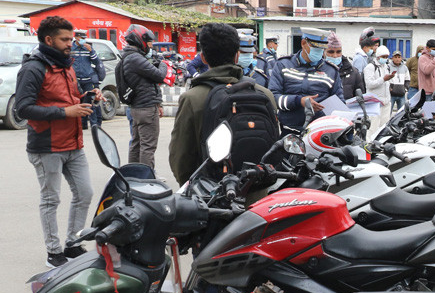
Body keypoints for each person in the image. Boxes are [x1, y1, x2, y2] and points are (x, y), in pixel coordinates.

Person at [16, 15, 97, 268]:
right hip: (46, 146)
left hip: (73, 143)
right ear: (49, 40)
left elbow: (70, 98)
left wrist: (88, 96)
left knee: (85, 193)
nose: (70, 43)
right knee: (51, 200)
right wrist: (65, 112)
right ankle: (53, 253)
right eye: (65, 39)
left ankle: (73, 244)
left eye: (71, 39)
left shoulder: (66, 65)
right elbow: (22, 109)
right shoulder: (33, 68)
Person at [169, 22, 277, 185]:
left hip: (211, 194)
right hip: (259, 194)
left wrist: (195, 190)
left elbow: (180, 158)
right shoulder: (264, 94)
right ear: (237, 56)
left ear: (203, 57)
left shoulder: (192, 98)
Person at [268, 26, 342, 130]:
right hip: (289, 130)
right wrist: (299, 101)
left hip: (320, 131)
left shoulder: (331, 71)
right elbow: (273, 98)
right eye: (316, 48)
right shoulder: (283, 65)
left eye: (322, 49)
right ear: (303, 43)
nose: (319, 52)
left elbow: (339, 104)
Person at [119, 24, 167, 168]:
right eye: (148, 42)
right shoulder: (135, 58)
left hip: (137, 108)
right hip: (146, 108)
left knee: (137, 143)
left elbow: (148, 81)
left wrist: (159, 103)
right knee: (148, 146)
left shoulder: (130, 57)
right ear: (139, 40)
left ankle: (134, 175)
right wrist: (163, 64)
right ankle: (147, 177)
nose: (150, 45)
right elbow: (159, 76)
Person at [70, 29, 105, 129]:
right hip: (76, 81)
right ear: (76, 37)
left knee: (91, 103)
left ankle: (95, 125)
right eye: (82, 38)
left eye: (84, 38)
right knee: (79, 102)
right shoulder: (71, 48)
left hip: (88, 80)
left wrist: (91, 51)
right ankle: (83, 124)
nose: (83, 40)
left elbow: (96, 62)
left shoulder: (88, 48)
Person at [362, 44, 394, 128]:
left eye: (386, 57)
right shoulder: (370, 67)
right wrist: (383, 79)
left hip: (386, 103)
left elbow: (386, 82)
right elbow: (369, 84)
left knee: (384, 128)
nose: (385, 59)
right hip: (374, 103)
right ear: (378, 56)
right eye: (383, 57)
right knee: (373, 128)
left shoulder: (386, 67)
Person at [325, 32, 363, 101]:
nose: (335, 56)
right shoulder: (316, 72)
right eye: (331, 52)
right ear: (324, 52)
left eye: (338, 52)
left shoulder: (353, 72)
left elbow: (361, 98)